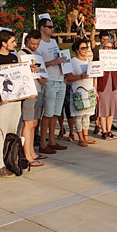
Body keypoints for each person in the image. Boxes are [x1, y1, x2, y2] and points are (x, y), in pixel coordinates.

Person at [0, 29, 23, 176]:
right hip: (2, 103)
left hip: (15, 101)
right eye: (12, 41)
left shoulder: (14, 58)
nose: (15, 44)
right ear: (3, 43)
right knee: (0, 132)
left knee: (12, 132)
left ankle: (10, 160)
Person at [37, 18, 68, 154]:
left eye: (52, 26)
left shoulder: (54, 42)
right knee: (48, 113)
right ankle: (43, 143)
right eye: (50, 27)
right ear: (42, 28)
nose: (52, 29)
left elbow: (61, 58)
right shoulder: (39, 44)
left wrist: (66, 69)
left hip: (60, 79)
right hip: (49, 81)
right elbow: (38, 63)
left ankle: (52, 140)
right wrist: (54, 61)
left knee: (56, 113)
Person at [18, 30, 47, 167]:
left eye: (37, 43)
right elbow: (18, 74)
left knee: (34, 123)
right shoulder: (21, 54)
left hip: (38, 90)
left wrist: (43, 78)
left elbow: (42, 72)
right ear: (27, 40)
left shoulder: (38, 55)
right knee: (28, 124)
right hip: (28, 93)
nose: (35, 46)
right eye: (33, 43)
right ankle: (26, 154)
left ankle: (31, 151)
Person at [65, 39, 98, 147]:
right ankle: (80, 137)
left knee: (87, 115)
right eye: (83, 48)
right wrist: (80, 76)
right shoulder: (72, 61)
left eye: (86, 47)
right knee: (78, 115)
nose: (85, 50)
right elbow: (68, 77)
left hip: (89, 90)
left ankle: (86, 136)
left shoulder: (89, 62)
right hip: (78, 91)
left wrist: (95, 90)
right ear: (77, 50)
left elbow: (95, 77)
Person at [97, 39, 117, 140]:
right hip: (102, 85)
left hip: (113, 85)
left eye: (111, 47)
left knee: (111, 109)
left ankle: (109, 130)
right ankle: (104, 131)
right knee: (103, 110)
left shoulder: (115, 60)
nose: (109, 49)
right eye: (107, 47)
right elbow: (95, 75)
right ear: (103, 48)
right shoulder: (99, 60)